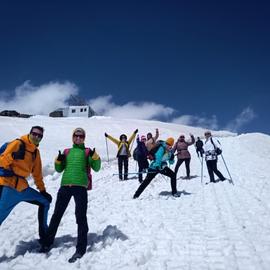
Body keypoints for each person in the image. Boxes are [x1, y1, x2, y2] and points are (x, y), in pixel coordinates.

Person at [40, 128, 101, 263]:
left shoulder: (87, 152)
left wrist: (95, 156)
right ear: (72, 137)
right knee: (57, 215)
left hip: (80, 187)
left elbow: (97, 168)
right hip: (65, 186)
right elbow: (59, 169)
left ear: (84, 138)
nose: (78, 138)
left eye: (81, 136)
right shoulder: (67, 151)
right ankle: (47, 242)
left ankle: (81, 248)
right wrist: (59, 160)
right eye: (76, 136)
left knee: (80, 216)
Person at [0, 126, 52, 244]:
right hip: (8, 186)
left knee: (45, 202)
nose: (36, 137)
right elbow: (1, 161)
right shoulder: (18, 143)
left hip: (22, 188)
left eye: (40, 136)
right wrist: (12, 156)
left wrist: (43, 191)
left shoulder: (35, 152)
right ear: (30, 133)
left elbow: (37, 174)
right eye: (35, 134)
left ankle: (45, 238)